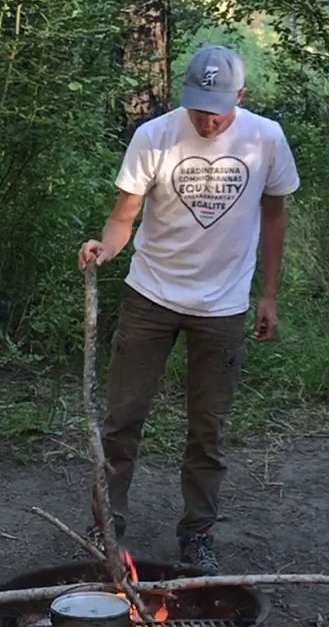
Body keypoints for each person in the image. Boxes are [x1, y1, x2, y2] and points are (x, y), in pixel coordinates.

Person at [77, 44, 299, 571]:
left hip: (222, 307)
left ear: (240, 96)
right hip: (150, 297)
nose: (206, 118)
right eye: (198, 106)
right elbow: (123, 216)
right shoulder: (154, 136)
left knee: (208, 426)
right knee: (122, 419)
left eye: (217, 108)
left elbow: (274, 216)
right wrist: (105, 247)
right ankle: (107, 524)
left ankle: (197, 532)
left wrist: (267, 294)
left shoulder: (265, 138)